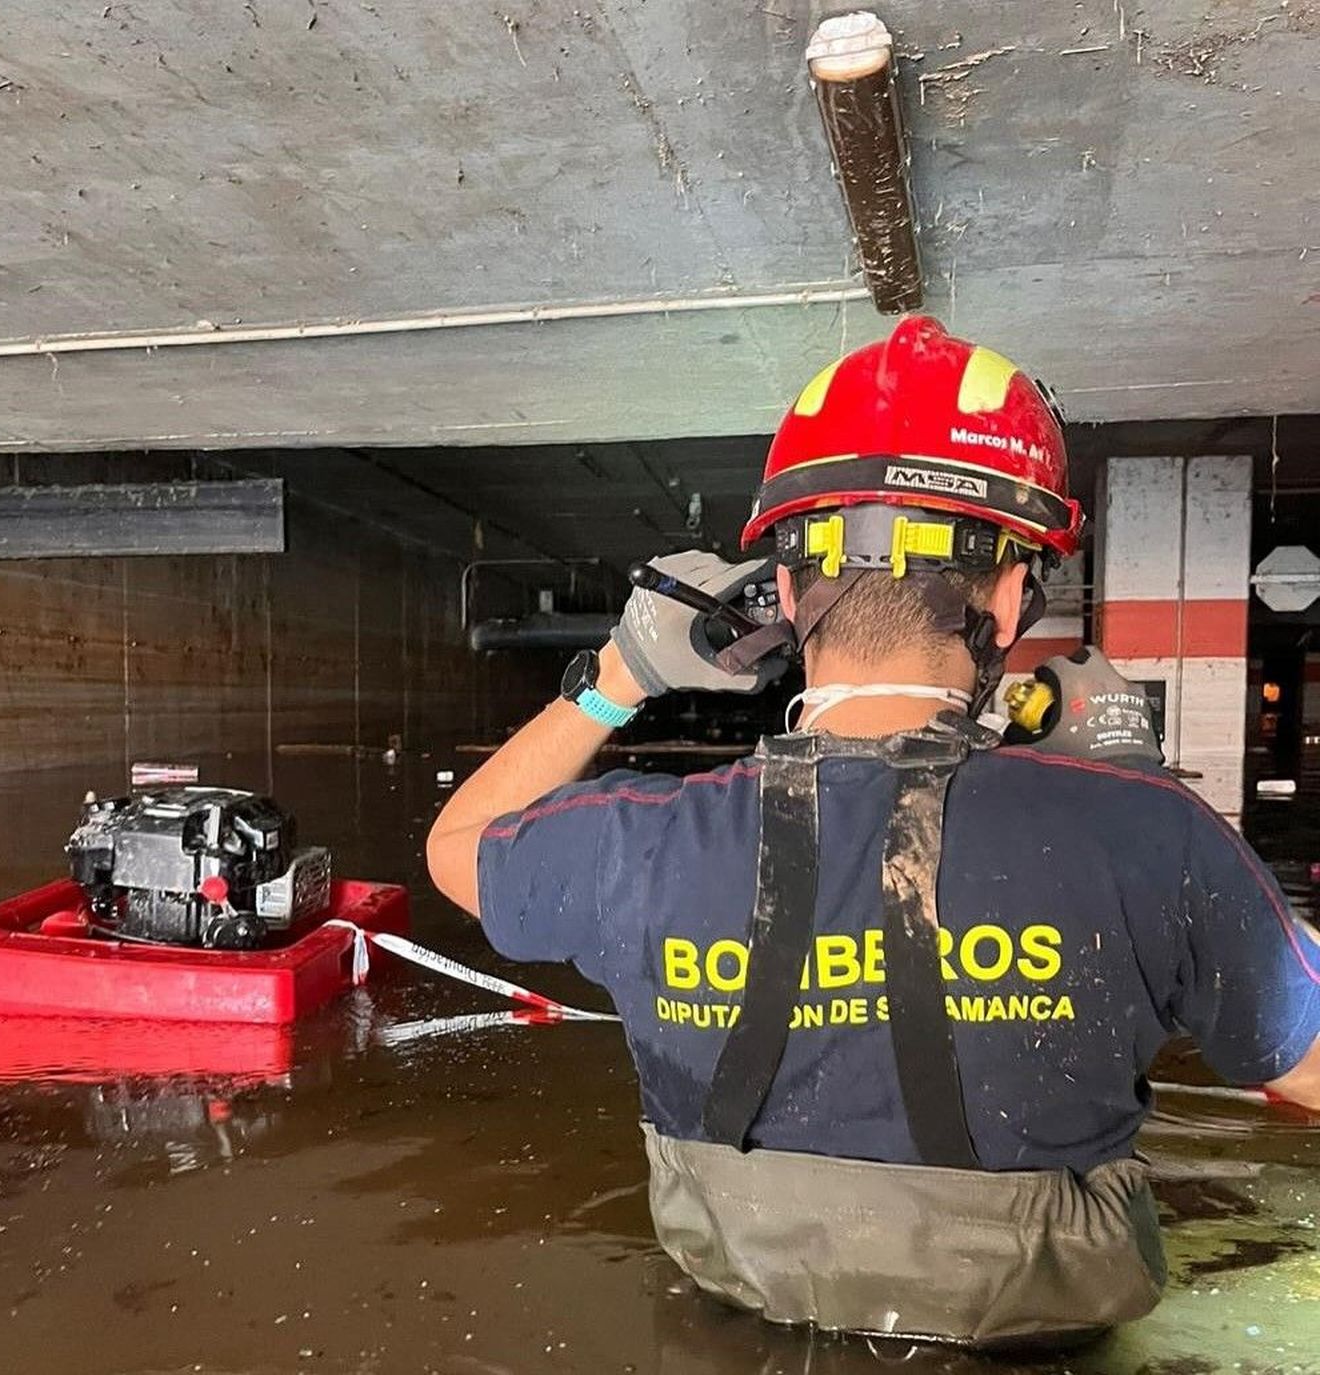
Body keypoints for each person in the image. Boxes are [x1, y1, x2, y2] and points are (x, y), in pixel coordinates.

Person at [426, 316, 1320, 1348]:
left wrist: (618, 676)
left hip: (742, 1325)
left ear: (793, 589)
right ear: (1011, 591)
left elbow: (459, 844)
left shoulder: (635, 837)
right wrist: (1128, 794)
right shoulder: (1146, 833)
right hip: (1041, 1348)